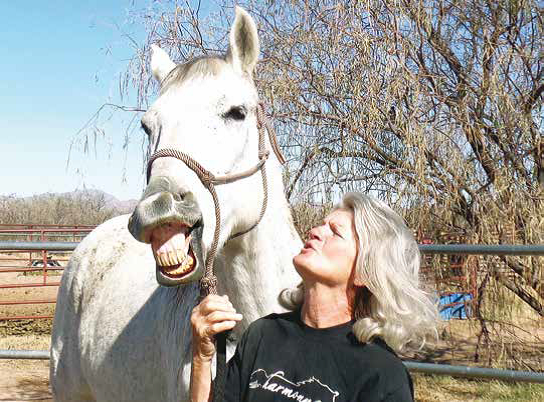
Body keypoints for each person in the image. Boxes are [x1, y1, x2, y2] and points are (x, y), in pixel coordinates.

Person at [190, 192, 439, 401]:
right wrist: (201, 356)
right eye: (321, 224)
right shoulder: (262, 334)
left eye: (335, 232)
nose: (316, 231)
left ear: (366, 271)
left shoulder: (382, 374)